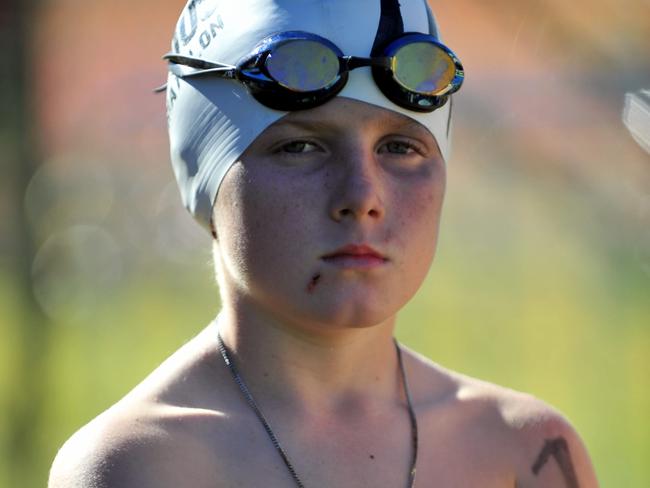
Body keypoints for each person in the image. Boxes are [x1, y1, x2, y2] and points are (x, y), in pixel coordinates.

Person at [49, 0, 599, 486]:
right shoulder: (137, 467)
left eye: (400, 147)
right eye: (301, 147)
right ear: (204, 173)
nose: (362, 196)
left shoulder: (524, 452)